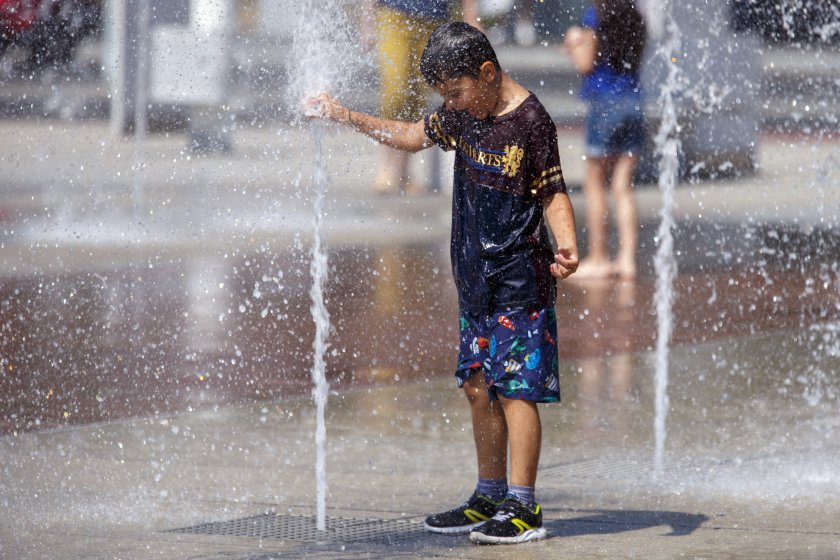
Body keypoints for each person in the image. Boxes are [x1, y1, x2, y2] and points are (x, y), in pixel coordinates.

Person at [306, 22, 579, 544]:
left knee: (517, 391)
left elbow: (552, 191)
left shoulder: (531, 121)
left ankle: (524, 506)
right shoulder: (464, 115)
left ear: (488, 73)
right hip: (475, 280)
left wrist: (566, 243)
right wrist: (344, 114)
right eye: (444, 96)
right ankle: (489, 494)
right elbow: (413, 137)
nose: (450, 104)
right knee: (478, 388)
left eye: (456, 92)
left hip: (520, 281)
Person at [563, 0, 646, 280]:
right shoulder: (635, 15)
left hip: (605, 103)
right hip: (634, 102)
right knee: (622, 186)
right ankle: (627, 259)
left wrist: (575, 42)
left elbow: (586, 63)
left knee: (594, 182)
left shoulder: (596, 15)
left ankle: (599, 257)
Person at [361, 0, 479, 195]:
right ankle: (386, 166)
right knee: (395, 91)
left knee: (416, 96)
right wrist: (367, 21)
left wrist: (470, 15)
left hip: (435, 17)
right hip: (393, 12)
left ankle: (403, 170)